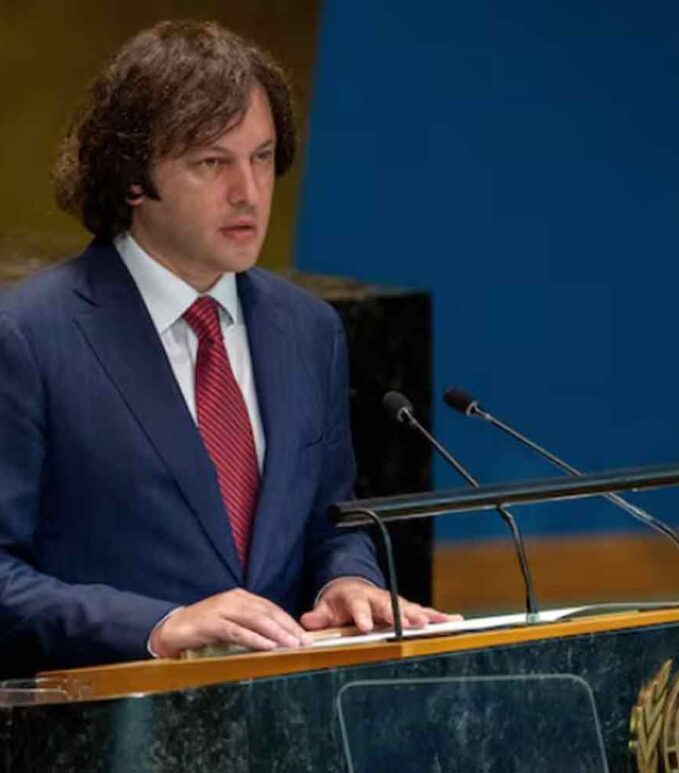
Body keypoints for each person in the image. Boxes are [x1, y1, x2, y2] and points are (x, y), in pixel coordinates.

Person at [0, 21, 449, 675]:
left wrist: (343, 582)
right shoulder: (28, 336)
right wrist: (158, 625)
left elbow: (331, 523)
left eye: (262, 157)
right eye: (213, 162)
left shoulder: (308, 330)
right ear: (132, 179)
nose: (249, 191)